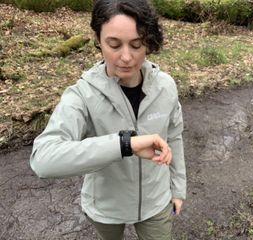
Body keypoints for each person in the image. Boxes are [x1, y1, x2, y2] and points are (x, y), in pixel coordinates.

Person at [30, 0, 186, 239]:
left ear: (148, 41)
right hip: (105, 209)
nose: (126, 57)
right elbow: (43, 159)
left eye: (136, 45)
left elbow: (174, 136)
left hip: (157, 203)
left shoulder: (165, 86)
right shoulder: (83, 94)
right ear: (99, 40)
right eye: (114, 44)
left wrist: (178, 189)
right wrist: (125, 144)